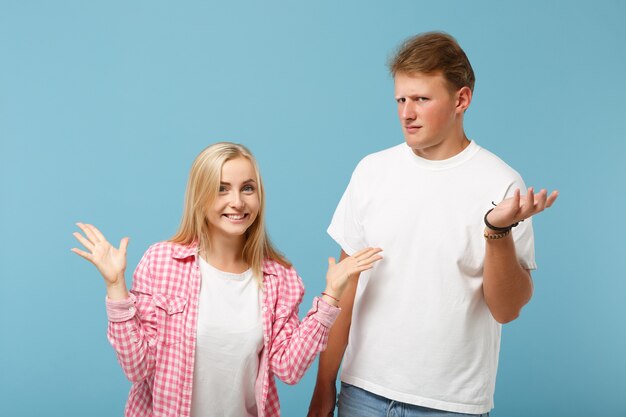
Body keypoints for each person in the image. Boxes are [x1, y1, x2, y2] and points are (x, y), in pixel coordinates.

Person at [307, 32, 558, 417]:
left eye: (421, 99)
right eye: (401, 100)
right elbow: (346, 288)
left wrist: (496, 231)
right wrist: (324, 386)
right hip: (361, 395)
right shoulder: (372, 171)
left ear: (461, 99)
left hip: (449, 406)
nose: (406, 113)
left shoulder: (501, 184)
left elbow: (507, 309)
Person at [71, 142, 382, 417]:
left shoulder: (280, 278)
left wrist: (330, 297)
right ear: (200, 197)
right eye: (222, 188)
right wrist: (115, 288)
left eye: (247, 188)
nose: (237, 201)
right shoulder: (162, 262)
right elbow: (137, 368)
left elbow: (287, 368)